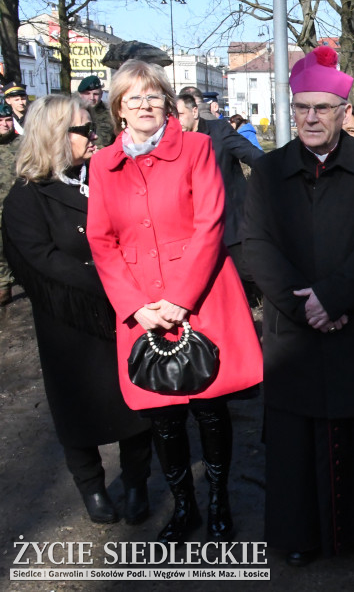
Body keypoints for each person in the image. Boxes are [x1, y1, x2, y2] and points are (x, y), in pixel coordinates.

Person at [244, 46, 354, 567]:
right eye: (302, 108)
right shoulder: (268, 172)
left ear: (343, 112)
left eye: (322, 108)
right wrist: (307, 306)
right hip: (296, 328)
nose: (311, 118)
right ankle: (301, 534)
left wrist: (335, 297)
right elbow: (256, 246)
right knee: (298, 439)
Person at [86, 60, 263, 543]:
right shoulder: (102, 164)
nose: (144, 106)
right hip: (139, 304)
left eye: (153, 96)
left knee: (210, 407)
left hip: (201, 293)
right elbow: (102, 241)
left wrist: (180, 299)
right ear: (118, 108)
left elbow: (210, 222)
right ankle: (184, 507)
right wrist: (136, 305)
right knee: (163, 415)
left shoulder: (198, 147)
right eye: (133, 98)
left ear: (167, 101)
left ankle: (219, 501)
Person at [2, 94, 152, 525]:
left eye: (93, 127)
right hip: (69, 322)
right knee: (75, 409)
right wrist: (113, 281)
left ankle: (138, 481)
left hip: (123, 315)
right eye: (83, 130)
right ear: (53, 136)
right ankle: (92, 487)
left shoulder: (106, 177)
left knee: (136, 403)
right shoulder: (26, 199)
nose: (95, 136)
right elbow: (41, 260)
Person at [176, 89, 264, 297]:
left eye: (179, 114)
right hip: (196, 226)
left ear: (194, 111)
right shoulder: (175, 141)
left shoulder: (218, 130)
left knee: (248, 272)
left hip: (231, 219)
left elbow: (251, 154)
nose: (175, 120)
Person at [0, 101, 21, 305]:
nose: (6, 125)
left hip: (18, 209)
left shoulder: (21, 144)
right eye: (1, 121)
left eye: (8, 120)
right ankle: (3, 286)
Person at [78, 75, 115, 147]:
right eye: (87, 94)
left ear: (101, 95)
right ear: (80, 95)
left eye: (95, 94)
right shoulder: (73, 114)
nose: (92, 98)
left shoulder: (111, 114)